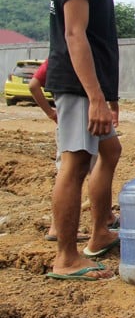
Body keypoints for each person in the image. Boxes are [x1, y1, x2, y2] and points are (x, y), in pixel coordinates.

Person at [44, 0, 135, 281]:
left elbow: (99, 35)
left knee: (111, 151)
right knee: (75, 164)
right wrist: (94, 97)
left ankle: (100, 230)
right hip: (77, 85)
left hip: (93, 86)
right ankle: (66, 258)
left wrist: (109, 94)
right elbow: (75, 34)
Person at [30, 59, 118, 242]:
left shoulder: (57, 60)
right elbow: (33, 85)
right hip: (81, 113)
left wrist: (52, 113)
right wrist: (51, 113)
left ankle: (105, 218)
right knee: (76, 169)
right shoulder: (68, 58)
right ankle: (61, 230)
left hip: (77, 115)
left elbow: (34, 85)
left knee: (94, 163)